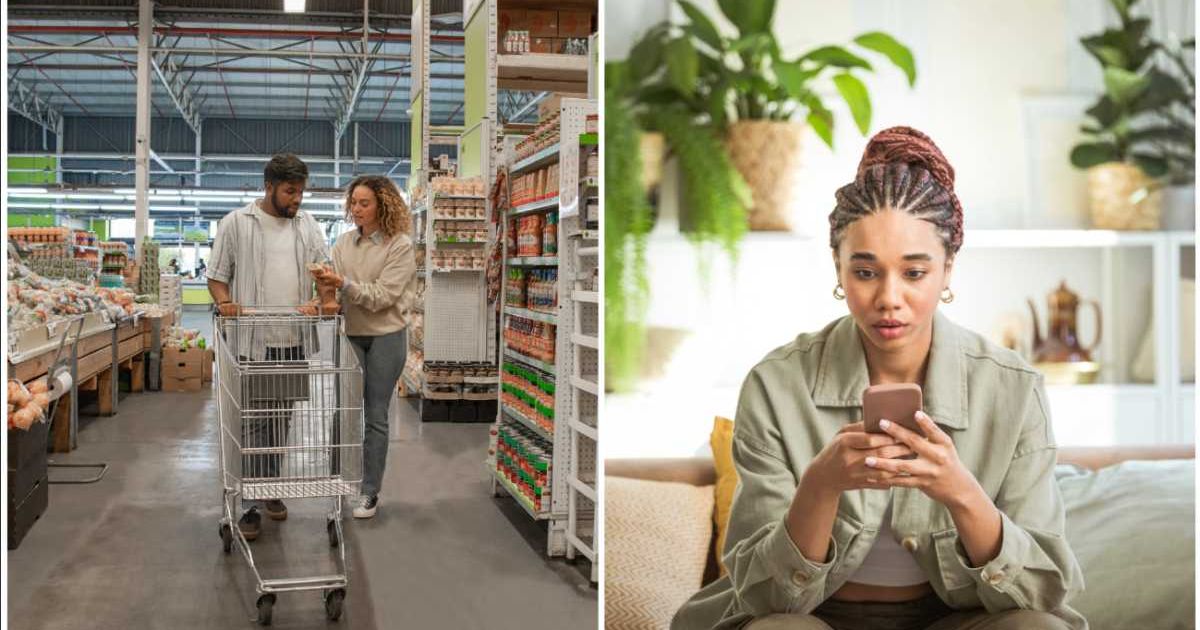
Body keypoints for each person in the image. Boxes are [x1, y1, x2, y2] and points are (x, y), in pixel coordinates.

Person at [672, 128, 1086, 630]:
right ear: (838, 267)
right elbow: (763, 597)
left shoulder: (1014, 389)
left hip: (957, 617)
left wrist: (961, 492)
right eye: (866, 272)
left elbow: (1042, 589)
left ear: (948, 269)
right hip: (813, 616)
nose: (890, 298)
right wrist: (820, 486)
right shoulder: (776, 385)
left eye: (914, 273)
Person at [207, 153, 330, 542]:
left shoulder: (308, 225)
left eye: (301, 192)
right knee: (254, 422)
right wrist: (226, 304)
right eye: (290, 191)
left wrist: (321, 296)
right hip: (252, 342)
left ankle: (271, 487)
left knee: (282, 421)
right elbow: (216, 276)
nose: (297, 199)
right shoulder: (236, 224)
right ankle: (249, 503)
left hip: (293, 341)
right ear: (269, 186)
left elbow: (323, 273)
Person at [311, 175, 416, 519]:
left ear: (382, 205)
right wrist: (323, 294)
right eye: (353, 202)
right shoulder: (343, 244)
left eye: (364, 203)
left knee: (375, 416)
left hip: (387, 336)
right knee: (343, 410)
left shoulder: (399, 245)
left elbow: (383, 297)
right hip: (351, 333)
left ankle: (369, 491)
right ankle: (335, 482)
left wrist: (343, 283)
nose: (356, 209)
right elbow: (338, 294)